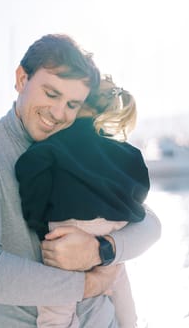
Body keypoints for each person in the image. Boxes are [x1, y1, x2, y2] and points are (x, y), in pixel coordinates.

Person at [0, 34, 161, 328]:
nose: (58, 114)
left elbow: (150, 224)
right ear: (21, 79)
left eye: (72, 104)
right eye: (51, 94)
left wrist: (100, 249)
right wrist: (89, 284)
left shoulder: (82, 148)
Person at [15, 76, 149, 328]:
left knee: (56, 310)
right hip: (114, 228)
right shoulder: (125, 151)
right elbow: (140, 186)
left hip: (69, 229)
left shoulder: (54, 144)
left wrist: (39, 225)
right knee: (121, 287)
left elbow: (29, 169)